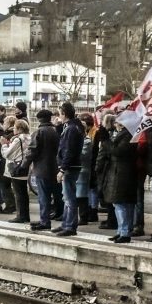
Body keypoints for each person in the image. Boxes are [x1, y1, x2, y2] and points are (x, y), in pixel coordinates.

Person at [104, 117, 140, 243]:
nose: (115, 124)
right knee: (126, 204)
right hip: (124, 172)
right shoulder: (128, 134)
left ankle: (124, 232)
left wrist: (106, 142)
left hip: (122, 172)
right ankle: (122, 230)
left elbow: (118, 151)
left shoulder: (127, 136)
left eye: (117, 122)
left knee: (120, 203)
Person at [53, 101, 85, 236]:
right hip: (73, 165)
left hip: (70, 167)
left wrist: (62, 169)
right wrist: (59, 127)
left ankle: (70, 226)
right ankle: (66, 223)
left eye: (60, 113)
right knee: (66, 196)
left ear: (64, 113)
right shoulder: (74, 126)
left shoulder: (71, 129)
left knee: (69, 197)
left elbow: (68, 150)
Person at [27, 109, 60, 230]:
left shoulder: (39, 132)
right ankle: (51, 217)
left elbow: (32, 151)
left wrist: (23, 166)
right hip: (55, 168)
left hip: (42, 168)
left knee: (43, 196)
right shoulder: (55, 131)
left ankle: (44, 221)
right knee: (55, 195)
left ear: (39, 119)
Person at [2, 118, 33, 223]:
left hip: (17, 167)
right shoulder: (30, 137)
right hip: (26, 166)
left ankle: (20, 216)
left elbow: (7, 154)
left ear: (19, 129)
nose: (13, 129)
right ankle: (25, 215)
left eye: (15, 127)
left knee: (18, 192)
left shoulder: (18, 139)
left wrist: (4, 145)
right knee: (24, 192)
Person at [76, 112, 97, 226]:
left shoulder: (87, 141)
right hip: (79, 170)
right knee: (79, 194)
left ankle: (84, 217)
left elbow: (83, 155)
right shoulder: (82, 140)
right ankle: (82, 215)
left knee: (82, 195)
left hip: (83, 170)